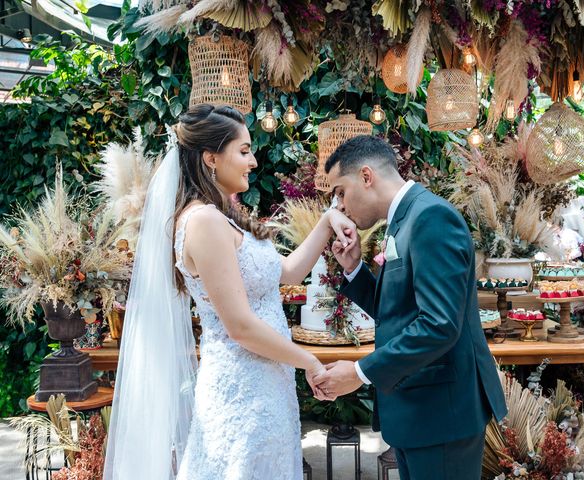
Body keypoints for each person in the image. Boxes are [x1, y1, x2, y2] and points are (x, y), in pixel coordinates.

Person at [104, 104, 353, 479]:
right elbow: (239, 326)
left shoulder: (220, 217)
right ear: (210, 158)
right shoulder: (203, 222)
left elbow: (286, 272)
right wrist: (311, 362)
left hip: (268, 387)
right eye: (244, 150)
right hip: (241, 391)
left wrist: (326, 221)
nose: (253, 161)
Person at [314, 135, 508, 480]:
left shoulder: (430, 217)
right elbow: (399, 313)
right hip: (418, 410)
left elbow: (438, 324)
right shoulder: (404, 219)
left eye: (341, 191)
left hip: (441, 412)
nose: (339, 206)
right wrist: (354, 269)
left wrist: (360, 373)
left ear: (366, 176)